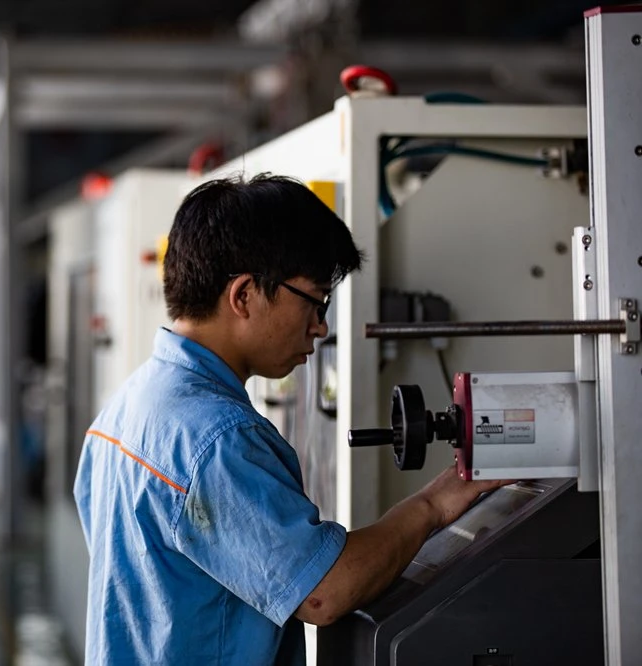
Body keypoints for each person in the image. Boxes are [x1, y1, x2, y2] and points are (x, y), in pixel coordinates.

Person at [73, 173, 508, 665]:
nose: (321, 327)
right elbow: (324, 593)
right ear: (243, 296)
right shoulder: (220, 439)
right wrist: (435, 502)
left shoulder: (122, 411)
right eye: (315, 302)